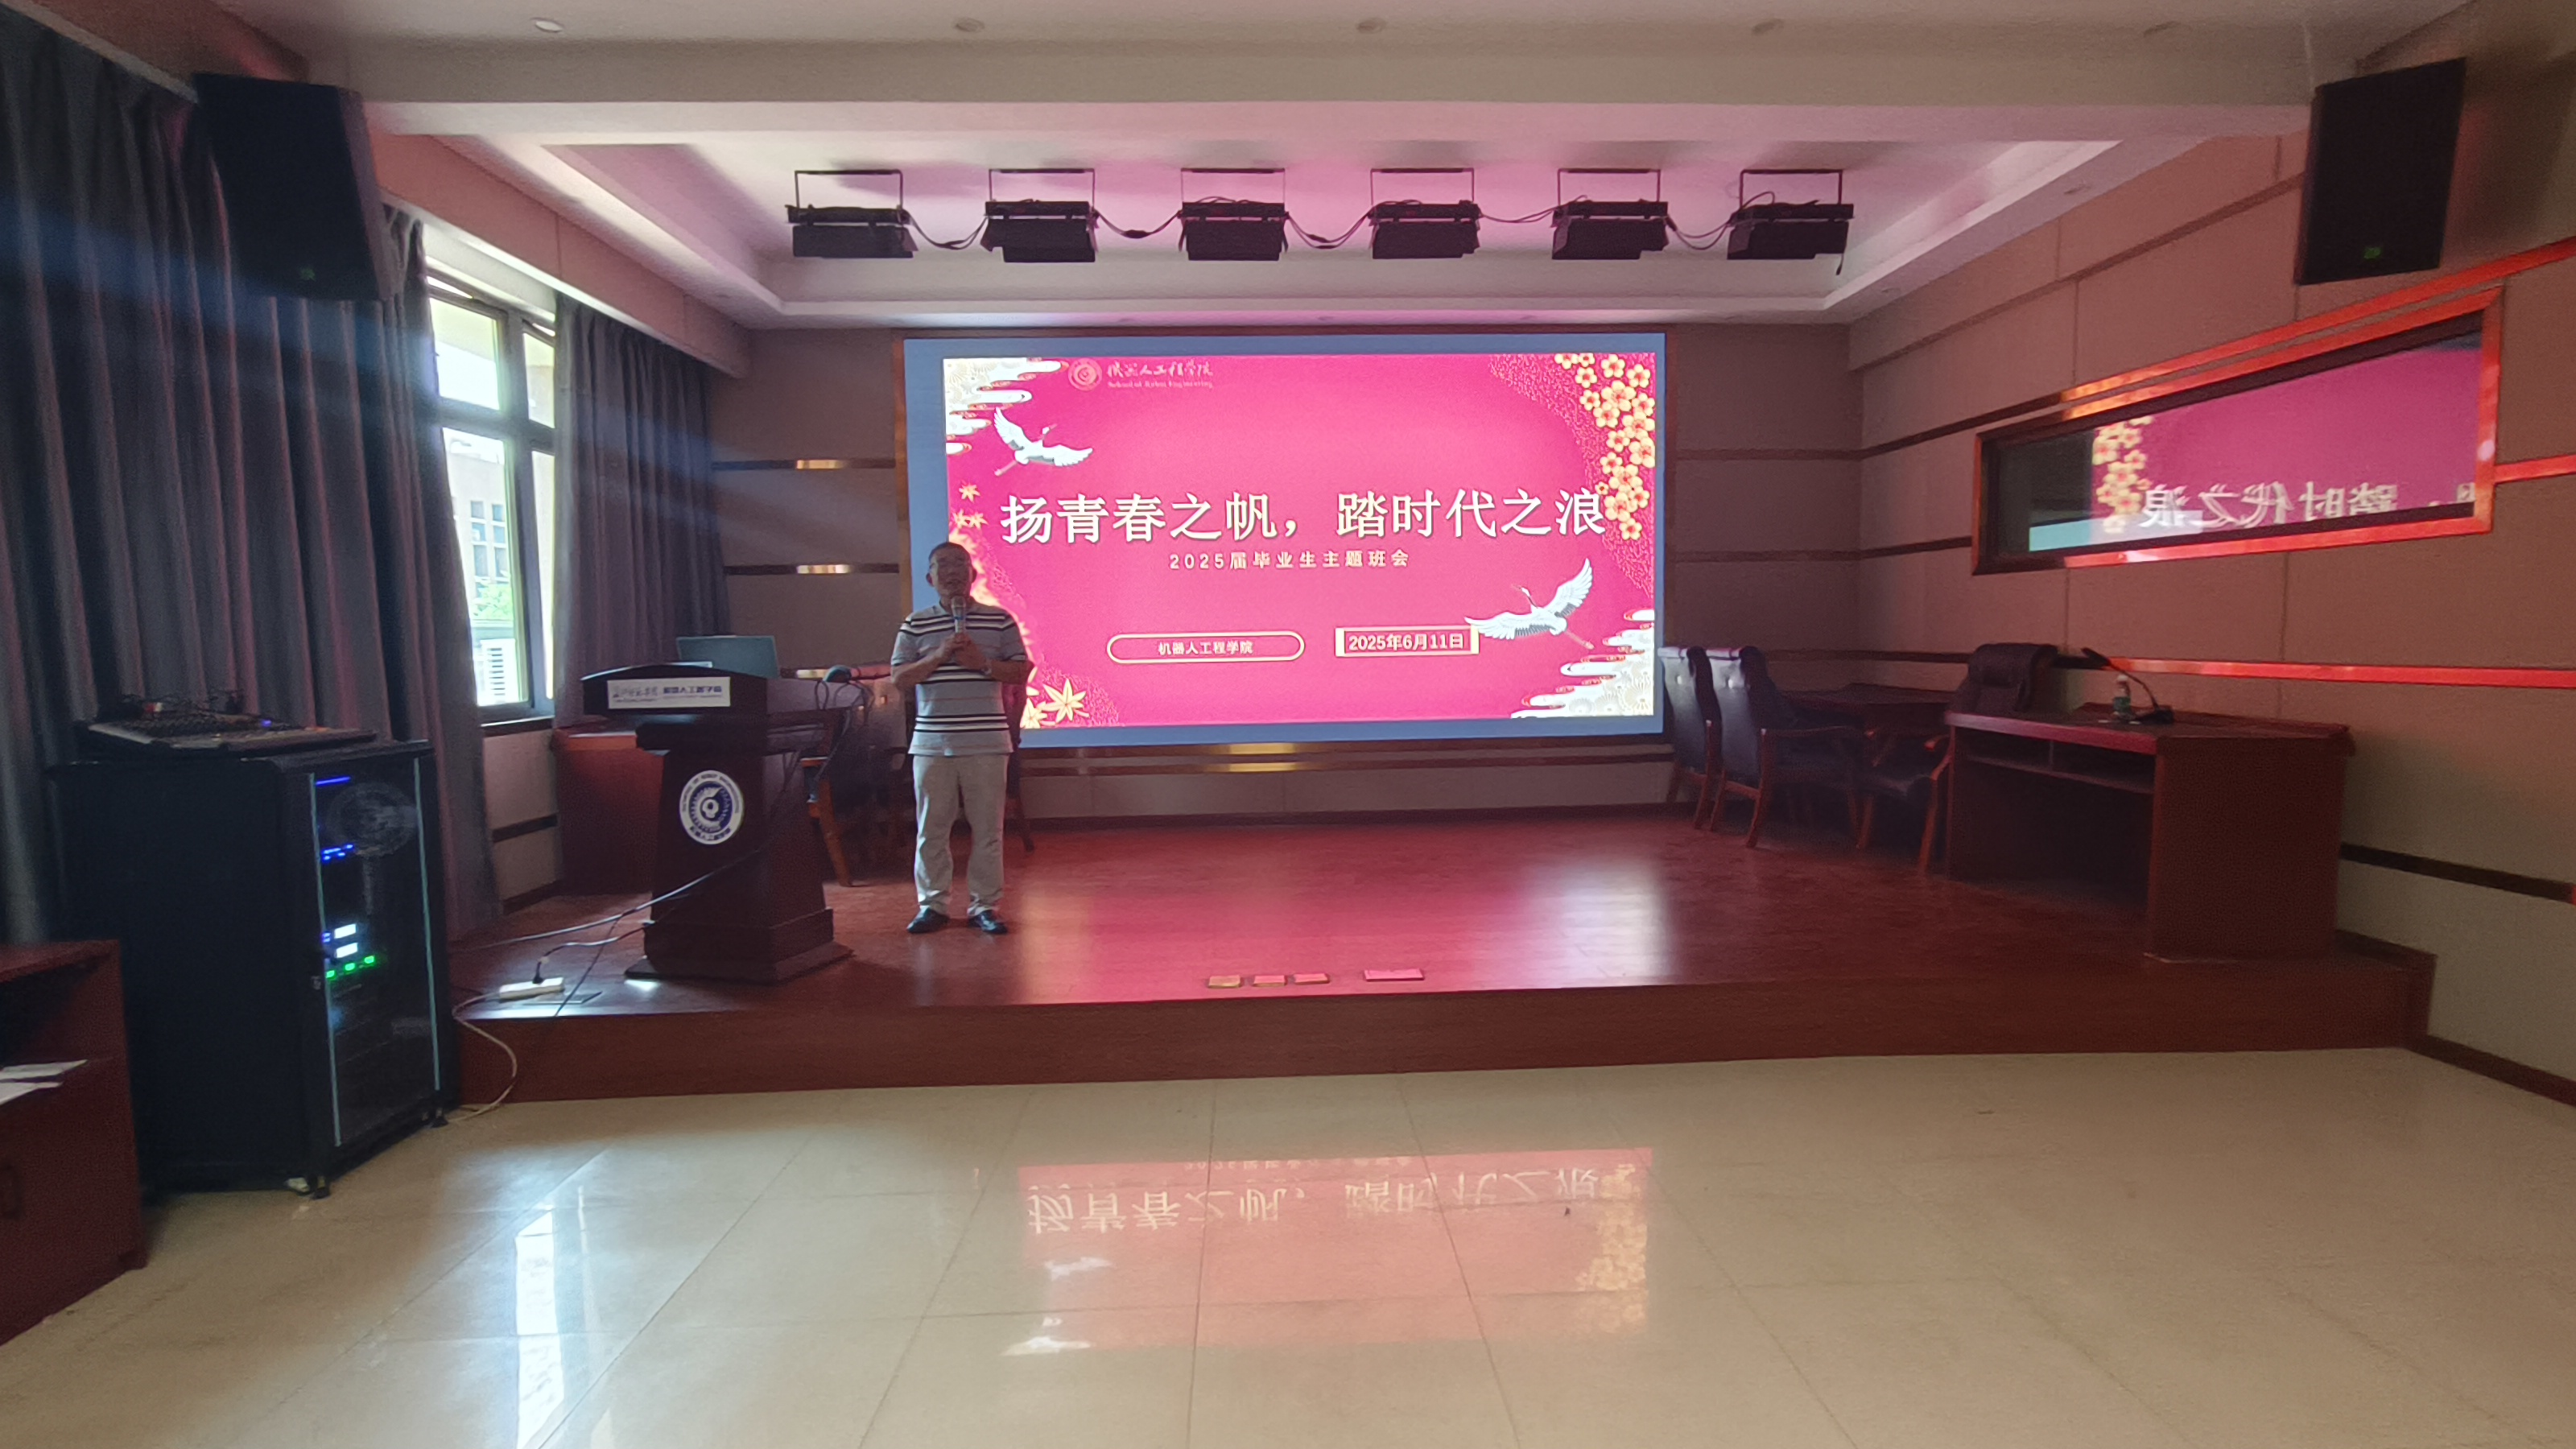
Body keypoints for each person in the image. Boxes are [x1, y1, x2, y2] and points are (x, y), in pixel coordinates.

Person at [887, 541, 1030, 935]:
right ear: (930, 578)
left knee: (988, 830)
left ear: (974, 574)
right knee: (931, 828)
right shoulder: (915, 624)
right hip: (932, 742)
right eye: (943, 565)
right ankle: (932, 905)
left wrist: (981, 664)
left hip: (987, 741)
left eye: (959, 564)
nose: (952, 572)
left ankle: (984, 906)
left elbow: (1021, 671)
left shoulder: (999, 620)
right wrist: (938, 657)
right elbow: (900, 679)